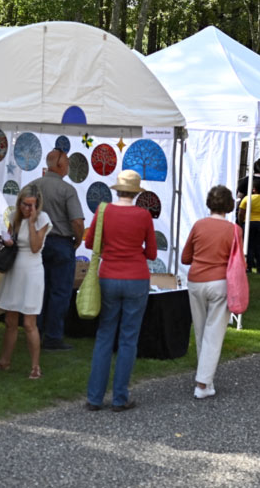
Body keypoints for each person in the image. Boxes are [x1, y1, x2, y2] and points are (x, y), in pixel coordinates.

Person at [84, 170, 156, 412]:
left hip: (108, 276)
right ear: (136, 193)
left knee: (104, 336)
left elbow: (88, 242)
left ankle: (94, 397)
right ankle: (120, 397)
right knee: (128, 338)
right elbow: (152, 253)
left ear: (117, 190)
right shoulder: (144, 215)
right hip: (136, 277)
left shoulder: (103, 211)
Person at [0, 184, 51, 379]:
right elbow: (10, 237)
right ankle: (4, 361)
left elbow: (36, 246)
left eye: (32, 205)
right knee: (10, 319)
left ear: (38, 205)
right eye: (25, 204)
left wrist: (31, 223)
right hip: (14, 270)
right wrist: (8, 241)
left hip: (32, 273)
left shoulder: (43, 219)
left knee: (29, 322)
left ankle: (35, 367)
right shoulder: (14, 217)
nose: (28, 209)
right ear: (19, 202)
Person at [180, 185, 235, 399]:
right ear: (229, 205)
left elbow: (185, 257)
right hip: (220, 282)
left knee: (201, 331)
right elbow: (238, 262)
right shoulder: (233, 230)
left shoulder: (198, 226)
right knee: (214, 333)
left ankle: (205, 379)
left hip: (195, 281)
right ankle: (202, 384)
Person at [28, 148, 84, 351]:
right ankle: (53, 337)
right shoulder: (67, 190)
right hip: (61, 242)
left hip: (38, 243)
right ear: (60, 165)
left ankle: (36, 330)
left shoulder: (33, 186)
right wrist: (77, 240)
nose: (68, 166)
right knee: (60, 292)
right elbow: (77, 221)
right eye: (67, 163)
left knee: (40, 289)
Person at [238, 183, 260, 272]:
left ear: (254, 189)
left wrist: (241, 223)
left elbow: (241, 213)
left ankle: (248, 266)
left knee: (248, 246)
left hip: (248, 223)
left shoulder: (247, 198)